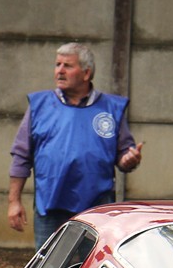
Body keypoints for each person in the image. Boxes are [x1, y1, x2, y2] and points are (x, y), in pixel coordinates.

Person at [8, 42, 144, 250]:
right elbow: (21, 157)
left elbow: (124, 155)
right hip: (50, 208)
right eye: (57, 65)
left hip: (98, 211)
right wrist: (14, 201)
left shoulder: (110, 108)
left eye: (67, 66)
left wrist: (128, 159)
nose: (60, 71)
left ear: (86, 73)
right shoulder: (39, 105)